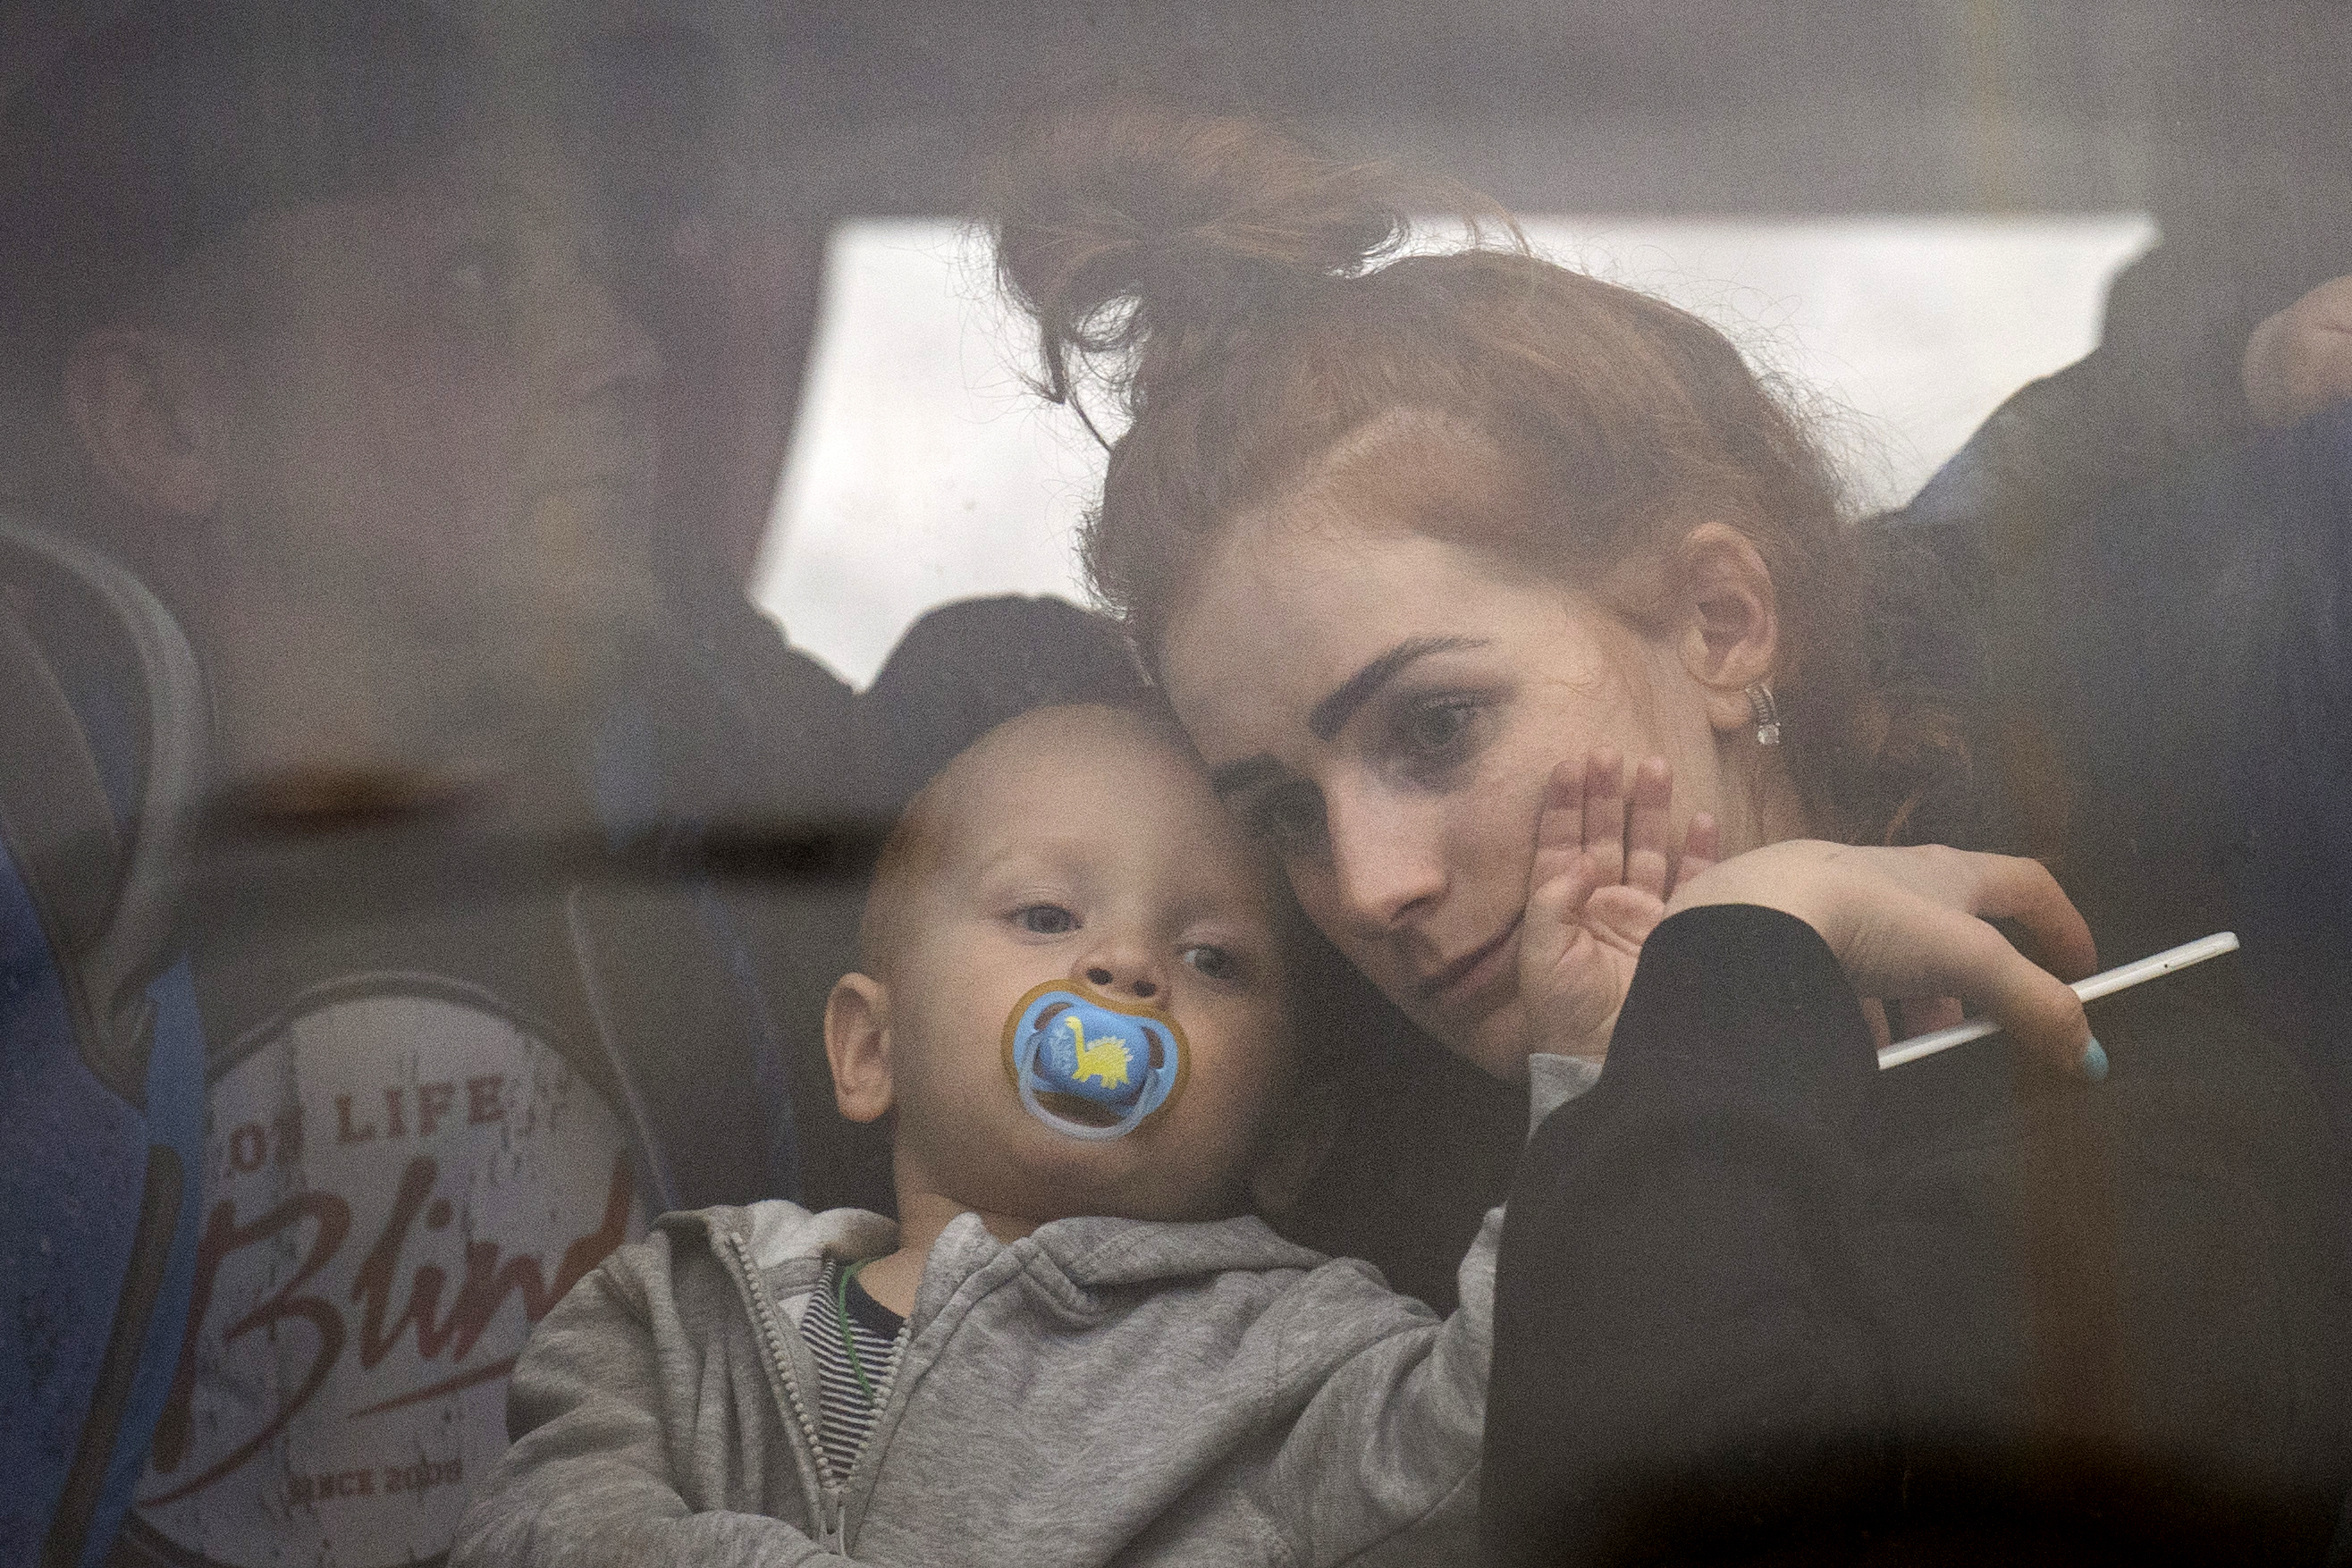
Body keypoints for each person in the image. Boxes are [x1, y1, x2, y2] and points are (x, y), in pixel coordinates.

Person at [987, 107, 2352, 1558]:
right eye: (1283, 813)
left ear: (1720, 622)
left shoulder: (2148, 1118)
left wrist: (1739, 961)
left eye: (1436, 726)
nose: (1373, 884)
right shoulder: (1311, 1260)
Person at [0, 6, 872, 1564]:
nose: (626, 352)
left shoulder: (785, 816)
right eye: (476, 283)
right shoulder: (35, 884)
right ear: (164, 418)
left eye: (598, 269)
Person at [451, 698, 1606, 1566]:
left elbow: (1494, 1441)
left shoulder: (1300, 1362)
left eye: (1211, 957)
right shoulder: (675, 1310)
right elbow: (539, 1528)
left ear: (1291, 1138)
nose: (1124, 965)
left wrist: (1592, 1071)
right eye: (1046, 913)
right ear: (872, 1049)